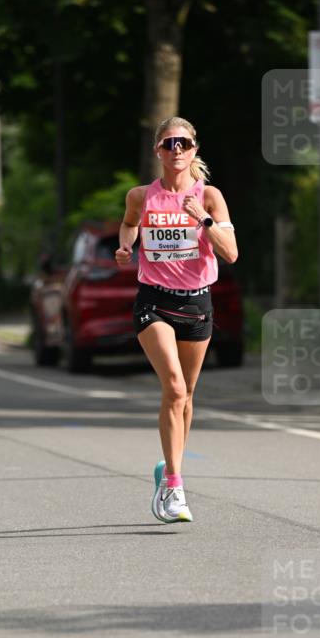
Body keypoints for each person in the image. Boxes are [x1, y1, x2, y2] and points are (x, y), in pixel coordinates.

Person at [115, 116, 238, 523]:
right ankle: (173, 487)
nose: (177, 150)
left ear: (194, 149)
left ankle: (168, 468)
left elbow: (231, 253)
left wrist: (202, 217)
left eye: (183, 143)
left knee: (187, 396)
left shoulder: (210, 196)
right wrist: (126, 247)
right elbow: (129, 224)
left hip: (197, 304)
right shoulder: (140, 196)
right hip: (154, 301)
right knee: (174, 386)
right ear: (158, 151)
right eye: (169, 143)